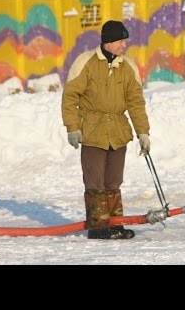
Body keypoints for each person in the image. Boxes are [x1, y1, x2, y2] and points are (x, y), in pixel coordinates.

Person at [62, 20, 151, 240]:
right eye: (121, 41)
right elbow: (70, 97)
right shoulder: (85, 63)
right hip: (93, 132)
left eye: (124, 41)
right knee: (95, 182)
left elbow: (136, 103)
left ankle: (115, 224)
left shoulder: (127, 66)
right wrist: (72, 128)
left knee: (113, 182)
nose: (124, 45)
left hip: (118, 133)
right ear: (108, 41)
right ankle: (98, 227)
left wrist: (143, 132)